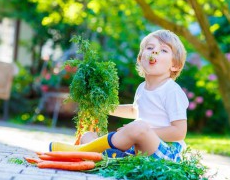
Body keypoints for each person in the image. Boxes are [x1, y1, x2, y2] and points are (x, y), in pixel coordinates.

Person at [50, 29, 189, 162]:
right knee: (88, 135)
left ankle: (80, 152)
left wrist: (142, 132)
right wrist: (105, 108)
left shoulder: (171, 91)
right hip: (138, 150)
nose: (155, 51)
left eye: (163, 50)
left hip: (167, 152)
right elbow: (135, 110)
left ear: (175, 66)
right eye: (150, 48)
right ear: (140, 59)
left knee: (138, 126)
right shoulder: (142, 87)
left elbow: (179, 132)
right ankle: (108, 157)